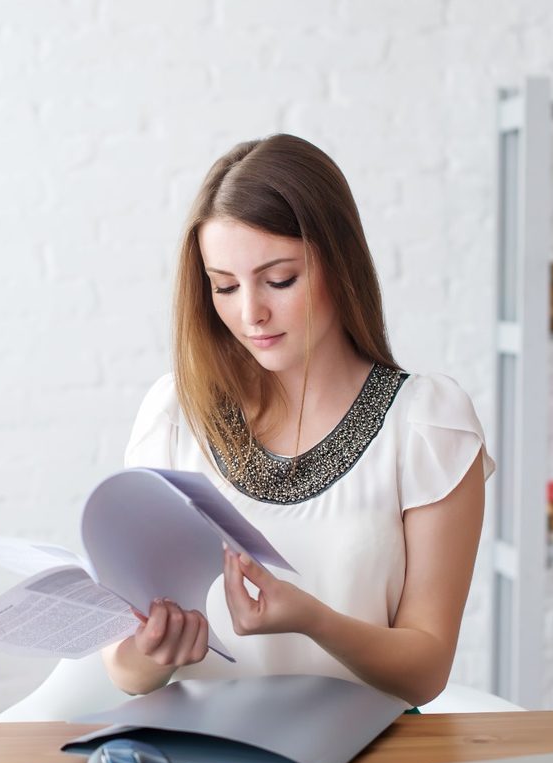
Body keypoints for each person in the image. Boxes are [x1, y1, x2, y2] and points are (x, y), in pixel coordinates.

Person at [101, 134, 494, 709]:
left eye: (280, 280)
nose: (249, 313)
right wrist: (152, 653)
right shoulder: (174, 416)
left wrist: (314, 620)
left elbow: (425, 670)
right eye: (224, 287)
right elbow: (124, 671)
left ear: (340, 263)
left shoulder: (427, 426)